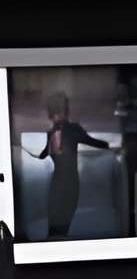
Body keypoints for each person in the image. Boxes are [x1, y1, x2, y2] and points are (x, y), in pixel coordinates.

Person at [42, 93, 109, 240]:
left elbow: (94, 142)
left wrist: (108, 145)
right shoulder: (53, 133)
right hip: (62, 182)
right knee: (57, 221)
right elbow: (44, 154)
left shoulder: (71, 130)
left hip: (66, 182)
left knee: (60, 220)